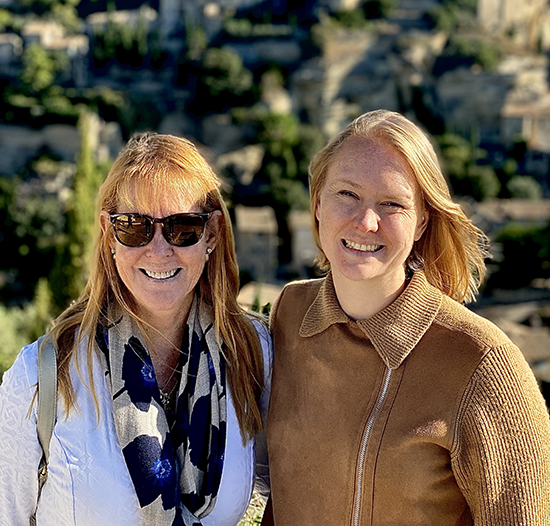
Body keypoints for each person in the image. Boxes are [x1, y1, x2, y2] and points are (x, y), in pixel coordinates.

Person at [264, 110, 550, 526]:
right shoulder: (290, 314)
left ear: (421, 223)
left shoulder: (484, 364)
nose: (365, 221)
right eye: (346, 194)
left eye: (392, 203)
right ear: (317, 203)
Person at [0, 133, 271, 526]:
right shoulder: (41, 377)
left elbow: (296, 487)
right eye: (134, 227)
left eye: (182, 228)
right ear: (110, 234)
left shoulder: (251, 354)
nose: (159, 250)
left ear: (211, 234)